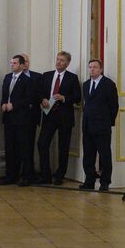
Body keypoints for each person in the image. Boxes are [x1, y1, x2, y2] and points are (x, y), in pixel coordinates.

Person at [36, 51, 81, 185]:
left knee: (63, 147)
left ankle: (60, 175)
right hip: (49, 115)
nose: (59, 62)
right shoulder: (47, 75)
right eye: (58, 59)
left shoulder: (72, 78)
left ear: (67, 63)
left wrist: (64, 98)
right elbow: (38, 92)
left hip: (64, 117)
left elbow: (77, 97)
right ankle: (46, 175)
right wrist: (42, 99)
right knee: (42, 144)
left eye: (62, 60)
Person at [79, 59, 119, 191]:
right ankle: (89, 181)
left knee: (105, 155)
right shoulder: (85, 84)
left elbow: (114, 106)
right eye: (90, 67)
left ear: (101, 69)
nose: (92, 69)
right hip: (88, 126)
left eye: (95, 67)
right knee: (88, 156)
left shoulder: (108, 84)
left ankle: (105, 182)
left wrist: (108, 122)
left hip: (102, 126)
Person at [0, 54, 37, 186]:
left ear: (21, 65)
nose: (12, 65)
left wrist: (14, 105)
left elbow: (29, 99)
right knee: (10, 148)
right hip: (8, 118)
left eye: (15, 63)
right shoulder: (7, 77)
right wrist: (3, 104)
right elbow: (5, 94)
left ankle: (26, 176)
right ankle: (10, 175)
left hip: (22, 119)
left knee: (24, 148)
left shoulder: (28, 80)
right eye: (11, 63)